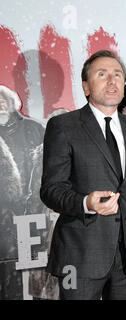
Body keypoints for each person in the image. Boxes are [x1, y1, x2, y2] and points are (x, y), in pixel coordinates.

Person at [40, 50, 126, 300]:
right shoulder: (63, 126)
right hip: (80, 256)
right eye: (102, 74)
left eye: (118, 75)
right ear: (86, 87)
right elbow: (52, 189)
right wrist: (86, 203)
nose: (112, 80)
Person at [0, 85, 45, 299]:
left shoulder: (34, 129)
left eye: (3, 99)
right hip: (2, 222)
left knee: (39, 280)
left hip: (32, 217)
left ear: (12, 102)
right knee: (8, 282)